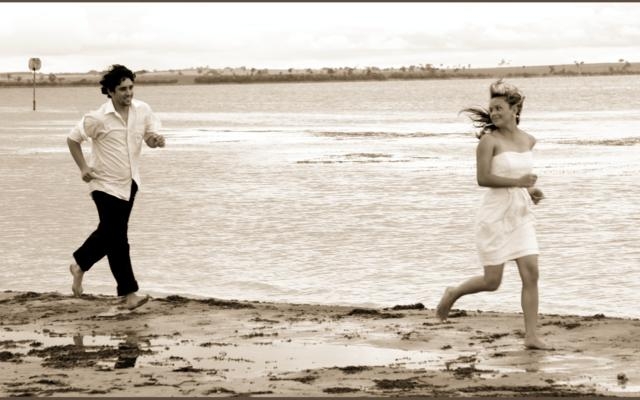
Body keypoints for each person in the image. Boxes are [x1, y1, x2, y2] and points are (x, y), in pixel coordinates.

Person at [435, 79, 549, 350]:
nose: (494, 113)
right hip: (495, 215)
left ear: (515, 109)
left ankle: (531, 336)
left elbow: (520, 178)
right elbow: (483, 178)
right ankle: (454, 292)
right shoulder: (489, 141)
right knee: (492, 281)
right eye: (492, 109)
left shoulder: (528, 140)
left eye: (499, 108)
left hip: (520, 214)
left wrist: (532, 190)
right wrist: (519, 183)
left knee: (531, 273)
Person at [67, 64, 165, 310]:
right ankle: (129, 293)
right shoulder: (97, 118)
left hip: (130, 183)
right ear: (110, 91)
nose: (128, 93)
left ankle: (79, 264)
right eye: (122, 89)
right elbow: (72, 139)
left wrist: (155, 140)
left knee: (110, 235)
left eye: (131, 87)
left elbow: (150, 138)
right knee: (118, 238)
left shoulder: (142, 110)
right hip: (103, 184)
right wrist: (83, 168)